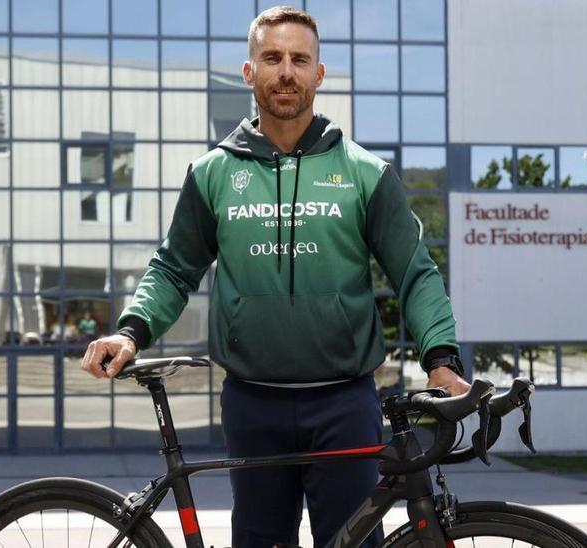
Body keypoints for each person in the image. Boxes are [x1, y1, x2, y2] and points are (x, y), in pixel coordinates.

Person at [78, 6, 470, 548]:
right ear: (250, 72)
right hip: (252, 403)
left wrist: (442, 361)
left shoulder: (364, 173)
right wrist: (130, 330)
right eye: (272, 58)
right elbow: (173, 267)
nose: (286, 70)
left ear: (318, 74)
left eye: (298, 59)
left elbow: (415, 273)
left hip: (344, 403)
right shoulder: (212, 172)